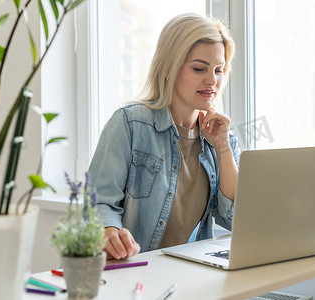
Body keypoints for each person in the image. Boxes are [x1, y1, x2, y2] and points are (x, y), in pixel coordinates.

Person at [86, 13, 241, 260]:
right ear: (169, 67)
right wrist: (110, 231)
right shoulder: (130, 124)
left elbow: (235, 218)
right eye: (199, 68)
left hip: (191, 274)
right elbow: (99, 203)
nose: (212, 80)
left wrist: (223, 148)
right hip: (134, 273)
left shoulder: (221, 136)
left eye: (219, 70)